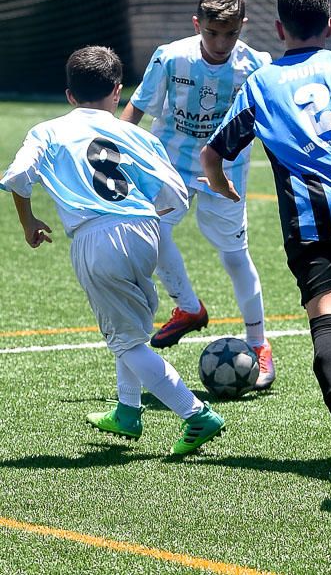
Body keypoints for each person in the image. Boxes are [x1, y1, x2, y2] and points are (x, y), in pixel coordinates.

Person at [201, 0, 331, 482]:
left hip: (308, 220)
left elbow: (213, 153)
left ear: (278, 29)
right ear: (330, 25)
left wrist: (222, 185)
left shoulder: (260, 83)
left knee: (325, 317)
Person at [0, 46, 225, 456]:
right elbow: (172, 189)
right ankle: (127, 411)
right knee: (130, 328)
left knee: (126, 342)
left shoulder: (48, 131)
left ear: (69, 95)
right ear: (118, 91)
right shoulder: (136, 134)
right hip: (146, 231)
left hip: (97, 236)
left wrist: (28, 222)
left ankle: (196, 414)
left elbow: (18, 178)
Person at [121, 0, 275, 390]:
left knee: (234, 255)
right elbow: (137, 107)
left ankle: (258, 343)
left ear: (243, 25)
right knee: (150, 233)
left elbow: (268, 119)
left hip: (225, 170)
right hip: (169, 161)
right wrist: (113, 147)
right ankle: (189, 308)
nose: (221, 42)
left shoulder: (256, 64)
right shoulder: (171, 57)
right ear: (197, 24)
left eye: (231, 33)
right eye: (212, 32)